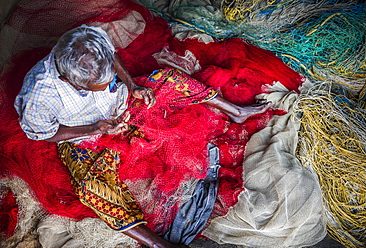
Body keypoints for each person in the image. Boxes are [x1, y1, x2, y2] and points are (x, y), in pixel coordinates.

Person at [14, 25, 270, 248]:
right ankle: (159, 244)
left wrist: (132, 86)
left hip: (121, 105)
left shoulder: (88, 38)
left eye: (107, 80)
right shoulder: (39, 95)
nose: (107, 84)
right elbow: (44, 134)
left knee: (167, 79)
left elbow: (111, 56)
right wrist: (95, 130)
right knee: (91, 189)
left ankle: (236, 111)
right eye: (97, 86)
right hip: (84, 137)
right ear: (69, 80)